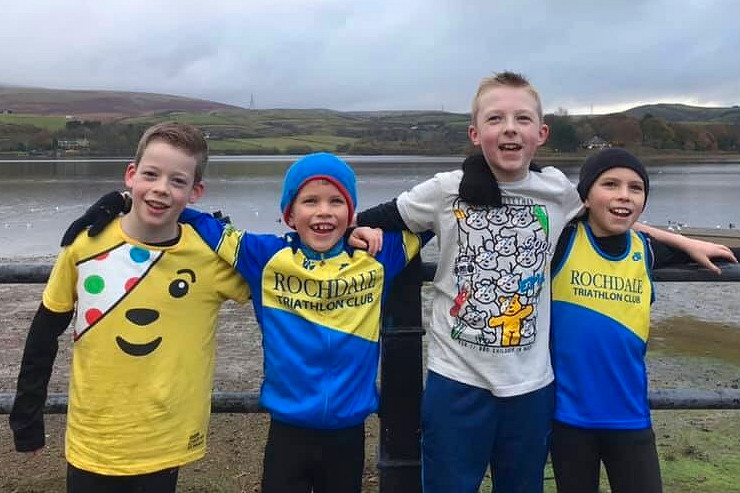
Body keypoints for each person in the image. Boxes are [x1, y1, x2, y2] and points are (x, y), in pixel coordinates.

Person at [356, 71, 737, 492]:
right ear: (474, 132)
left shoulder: (555, 190)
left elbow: (611, 217)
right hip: (456, 382)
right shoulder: (445, 190)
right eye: (496, 119)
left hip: (531, 388)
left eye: (521, 120)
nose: (509, 129)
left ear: (540, 133)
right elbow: (375, 218)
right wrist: (367, 234)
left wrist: (682, 242)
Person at [63, 152, 430, 493]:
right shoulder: (265, 256)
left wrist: (371, 226)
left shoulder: (378, 258)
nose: (323, 212)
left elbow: (434, 214)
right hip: (287, 431)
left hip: (349, 433)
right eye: (310, 202)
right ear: (289, 215)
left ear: (351, 214)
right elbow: (199, 222)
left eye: (337, 203)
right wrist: (125, 202)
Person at [9, 122, 249, 493]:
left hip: (165, 439)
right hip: (94, 439)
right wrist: (26, 416)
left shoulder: (209, 258)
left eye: (177, 181)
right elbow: (43, 332)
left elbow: (285, 278)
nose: (161, 189)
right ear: (131, 175)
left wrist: (356, 235)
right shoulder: (84, 245)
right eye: (151, 175)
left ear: (196, 192)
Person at [549, 148, 739, 492]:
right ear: (585, 198)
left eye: (636, 188)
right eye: (610, 184)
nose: (624, 194)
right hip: (567, 419)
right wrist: (678, 236)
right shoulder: (561, 242)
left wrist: (686, 243)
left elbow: (719, 253)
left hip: (630, 416)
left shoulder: (645, 249)